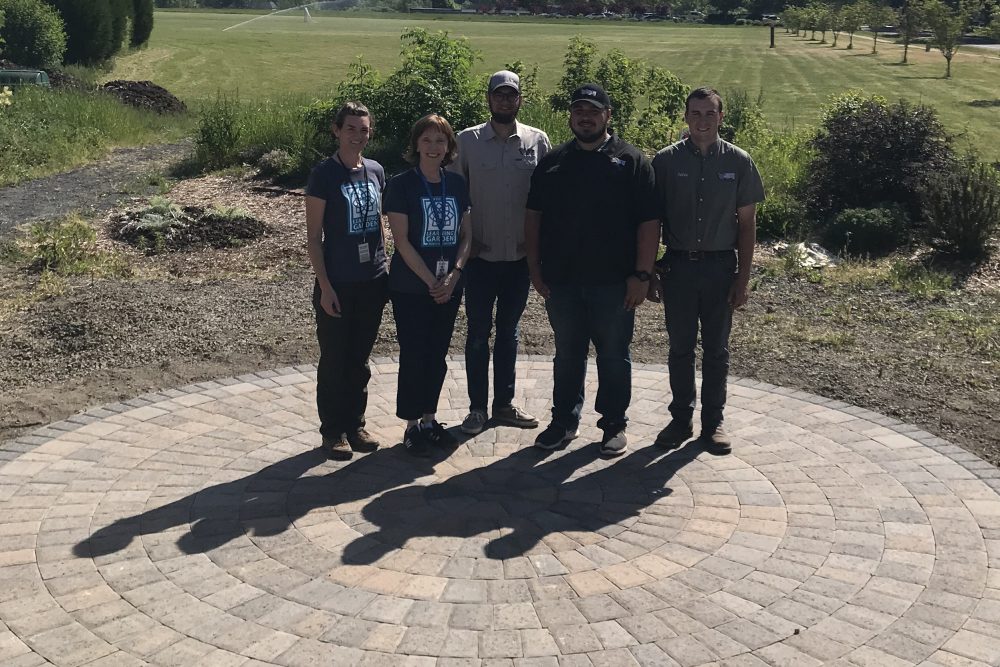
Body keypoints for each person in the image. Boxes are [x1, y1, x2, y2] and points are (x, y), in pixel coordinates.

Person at [525, 83, 660, 457]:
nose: (585, 117)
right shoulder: (553, 162)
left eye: (593, 110)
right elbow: (533, 218)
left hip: (615, 283)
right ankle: (563, 422)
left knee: (614, 355)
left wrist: (642, 275)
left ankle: (613, 424)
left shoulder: (631, 161)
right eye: (578, 110)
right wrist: (534, 267)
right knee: (567, 355)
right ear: (571, 116)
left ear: (608, 116)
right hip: (563, 282)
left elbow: (649, 223)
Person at [650, 87, 766, 455]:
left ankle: (713, 423)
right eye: (695, 113)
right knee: (680, 348)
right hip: (679, 268)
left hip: (719, 268)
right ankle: (681, 418)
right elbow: (652, 221)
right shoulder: (665, 162)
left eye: (709, 114)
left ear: (721, 117)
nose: (702, 121)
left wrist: (742, 279)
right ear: (685, 117)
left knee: (717, 350)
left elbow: (747, 225)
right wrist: (649, 270)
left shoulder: (739, 162)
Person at [451, 70, 552, 436]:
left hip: (520, 259)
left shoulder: (537, 142)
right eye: (499, 95)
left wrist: (539, 245)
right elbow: (453, 196)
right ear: (489, 99)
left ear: (520, 99)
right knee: (478, 332)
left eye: (511, 95)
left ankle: (504, 404)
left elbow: (548, 199)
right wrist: (464, 242)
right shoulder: (467, 141)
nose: (505, 101)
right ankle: (477, 409)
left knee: (509, 331)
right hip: (480, 258)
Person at [384, 114, 473, 458]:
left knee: (437, 355)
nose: (434, 148)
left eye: (441, 141)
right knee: (415, 354)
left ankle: (430, 420)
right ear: (416, 145)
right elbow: (402, 242)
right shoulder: (402, 184)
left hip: (448, 286)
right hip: (411, 286)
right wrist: (431, 281)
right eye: (427, 140)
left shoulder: (457, 184)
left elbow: (467, 236)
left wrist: (454, 274)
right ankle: (410, 426)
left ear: (450, 147)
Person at [305, 101, 388, 461]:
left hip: (372, 281)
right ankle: (332, 430)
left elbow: (380, 226)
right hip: (337, 283)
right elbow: (313, 238)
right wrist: (325, 286)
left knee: (360, 359)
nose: (358, 135)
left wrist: (385, 268)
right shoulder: (324, 174)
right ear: (336, 130)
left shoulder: (376, 171)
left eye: (364, 129)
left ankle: (356, 424)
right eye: (351, 128)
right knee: (335, 359)